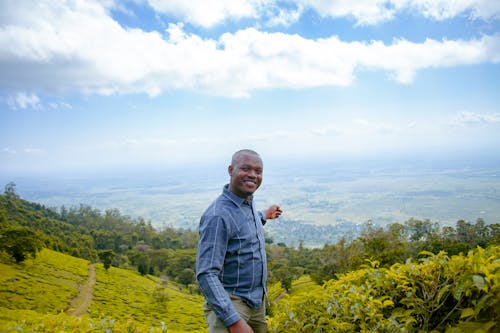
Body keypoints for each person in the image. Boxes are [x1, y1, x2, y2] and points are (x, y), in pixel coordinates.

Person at [196, 149, 282, 333]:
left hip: (256, 302)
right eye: (245, 168)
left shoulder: (246, 202)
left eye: (258, 171)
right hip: (231, 305)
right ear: (230, 170)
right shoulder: (217, 216)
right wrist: (234, 322)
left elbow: (242, 224)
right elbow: (206, 273)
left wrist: (264, 215)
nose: (253, 175)